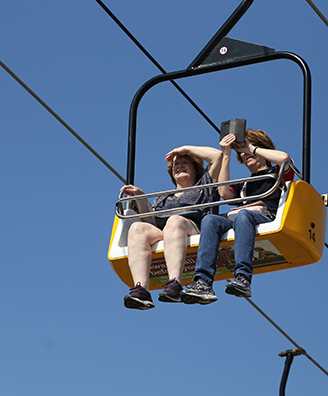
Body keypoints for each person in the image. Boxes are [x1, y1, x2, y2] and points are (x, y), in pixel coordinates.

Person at [181, 129, 292, 304]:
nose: (245, 156)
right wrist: (226, 154)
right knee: (210, 220)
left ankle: (243, 277)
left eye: (248, 152)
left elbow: (284, 158)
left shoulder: (277, 172)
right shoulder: (245, 184)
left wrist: (250, 147)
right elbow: (224, 192)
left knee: (243, 216)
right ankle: (203, 283)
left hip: (265, 217)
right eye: (241, 155)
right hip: (242, 219)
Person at [121, 144, 223, 310]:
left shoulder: (204, 185)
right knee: (137, 228)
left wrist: (184, 149)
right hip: (167, 231)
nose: (179, 166)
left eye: (185, 162)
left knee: (175, 221)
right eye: (176, 164)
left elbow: (217, 156)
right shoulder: (163, 198)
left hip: (192, 228)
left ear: (195, 168)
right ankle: (141, 289)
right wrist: (140, 197)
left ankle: (175, 283)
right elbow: (150, 221)